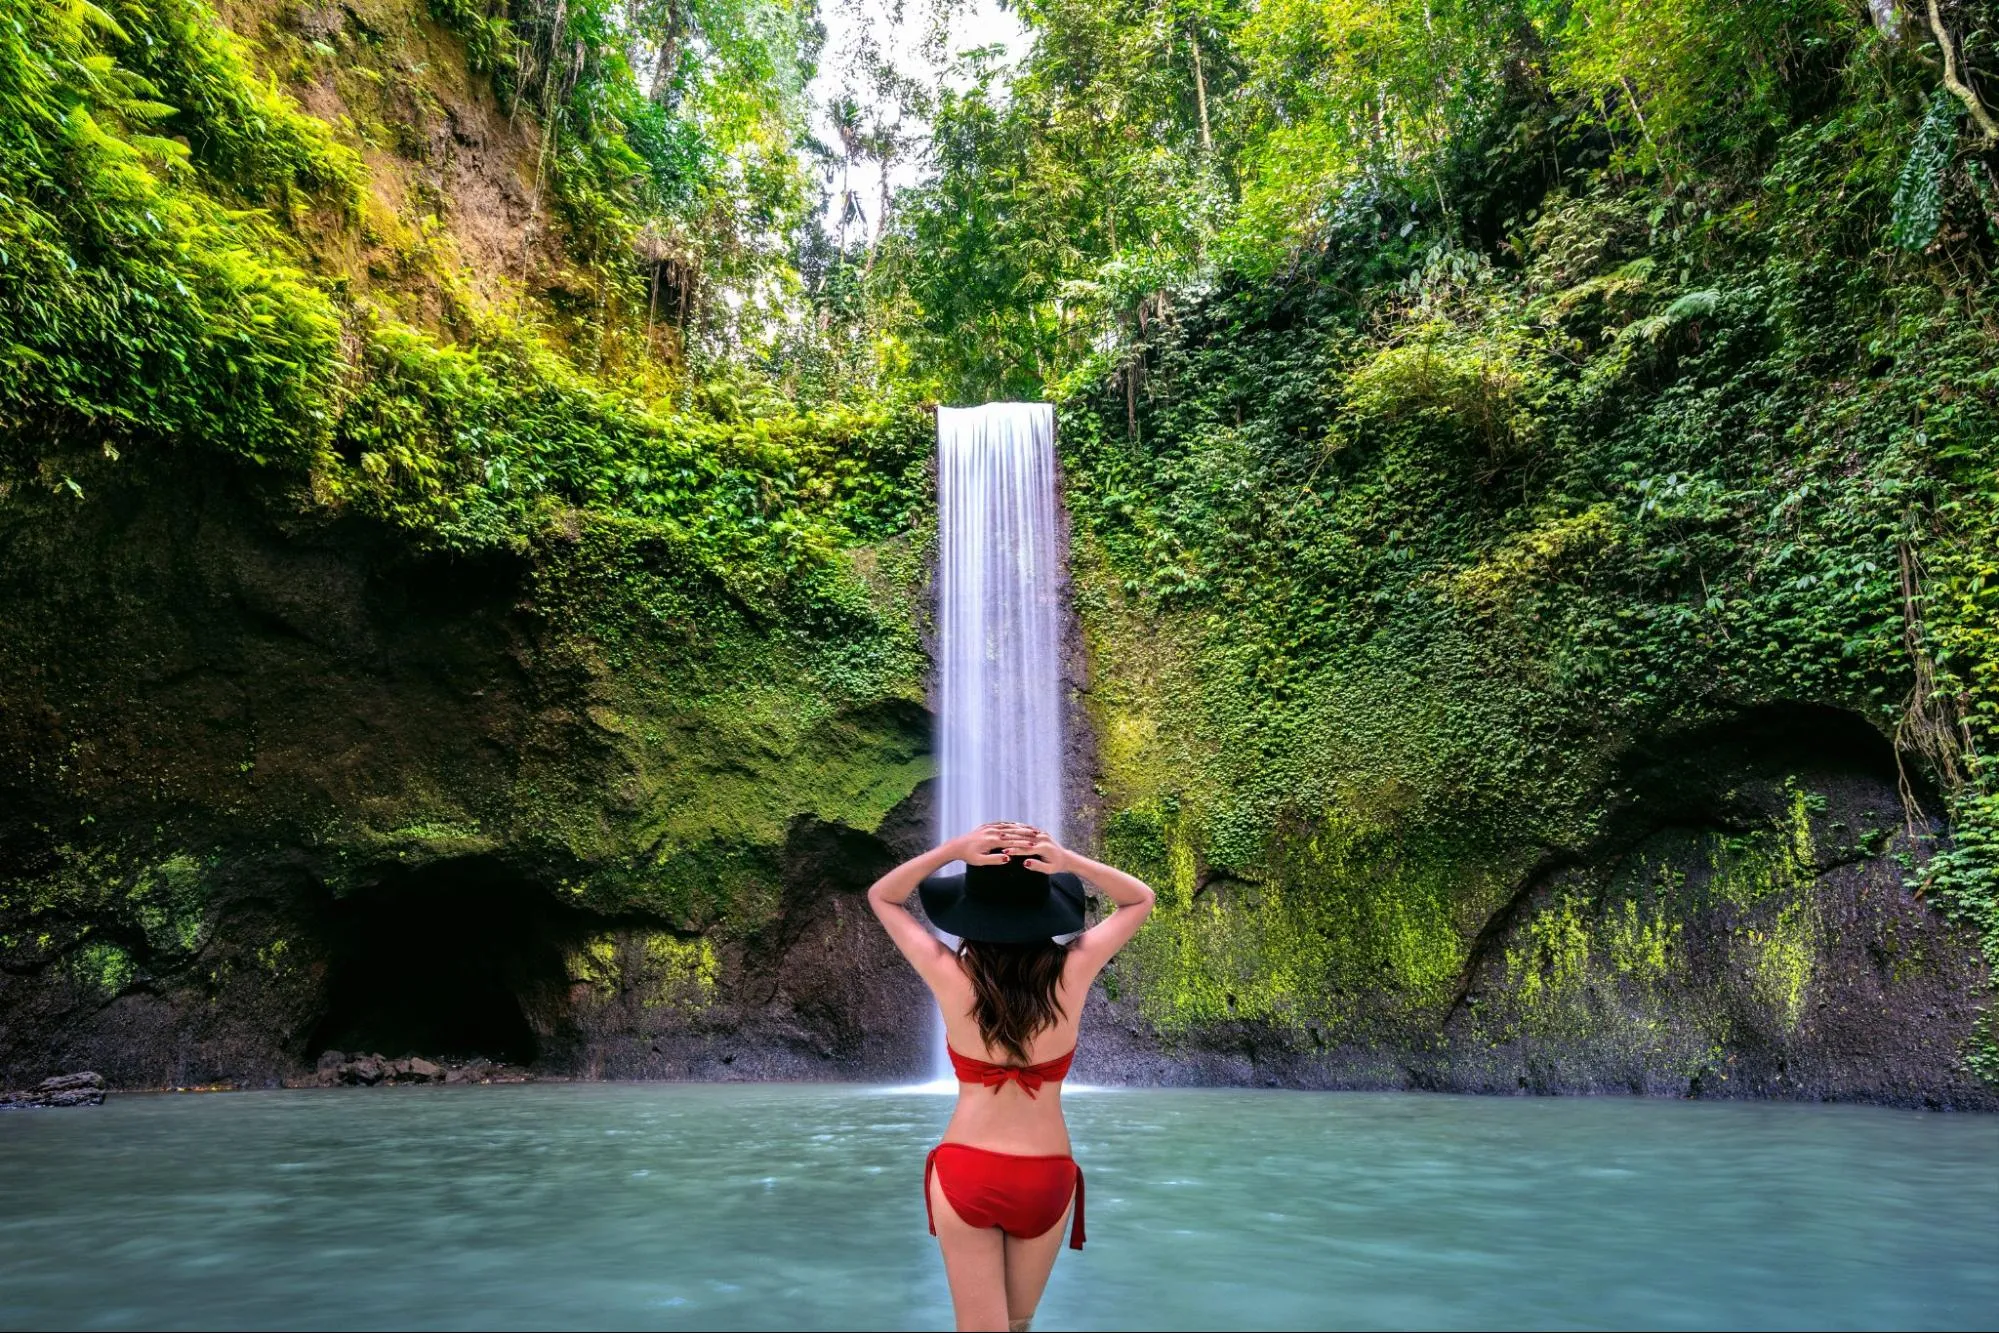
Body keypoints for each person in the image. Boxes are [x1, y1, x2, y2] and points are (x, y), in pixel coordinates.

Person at [867, 820, 1157, 1333]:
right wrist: (1070, 862)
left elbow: (883, 898)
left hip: (967, 1170)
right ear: (1047, 908)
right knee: (1018, 1325)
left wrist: (953, 851)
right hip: (1047, 1177)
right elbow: (1139, 900)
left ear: (969, 913)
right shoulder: (1075, 970)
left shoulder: (949, 974)